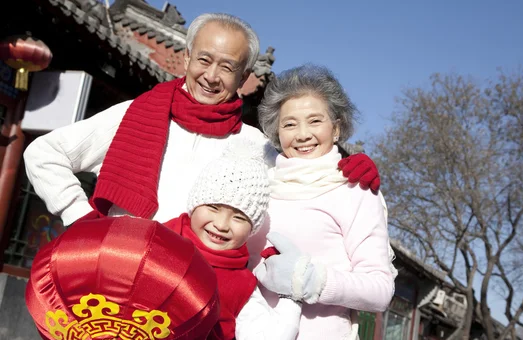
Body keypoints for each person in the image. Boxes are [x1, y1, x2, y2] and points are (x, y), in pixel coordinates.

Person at [23, 13, 379, 230]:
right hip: (118, 280)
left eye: (227, 67)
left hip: (197, 299)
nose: (211, 76)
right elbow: (43, 155)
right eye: (204, 60)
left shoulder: (256, 146)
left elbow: (301, 187)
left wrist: (344, 172)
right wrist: (78, 216)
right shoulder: (134, 115)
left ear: (243, 78)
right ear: (187, 58)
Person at [237, 65, 397, 340]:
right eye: (289, 124)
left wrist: (312, 281)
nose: (302, 134)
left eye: (315, 121)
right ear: (276, 133)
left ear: (336, 127)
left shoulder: (355, 190)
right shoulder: (257, 182)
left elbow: (380, 290)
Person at [123, 139, 270, 340]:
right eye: (213, 207)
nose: (222, 225)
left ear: (253, 227)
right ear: (195, 204)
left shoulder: (247, 282)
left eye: (239, 217)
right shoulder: (151, 247)